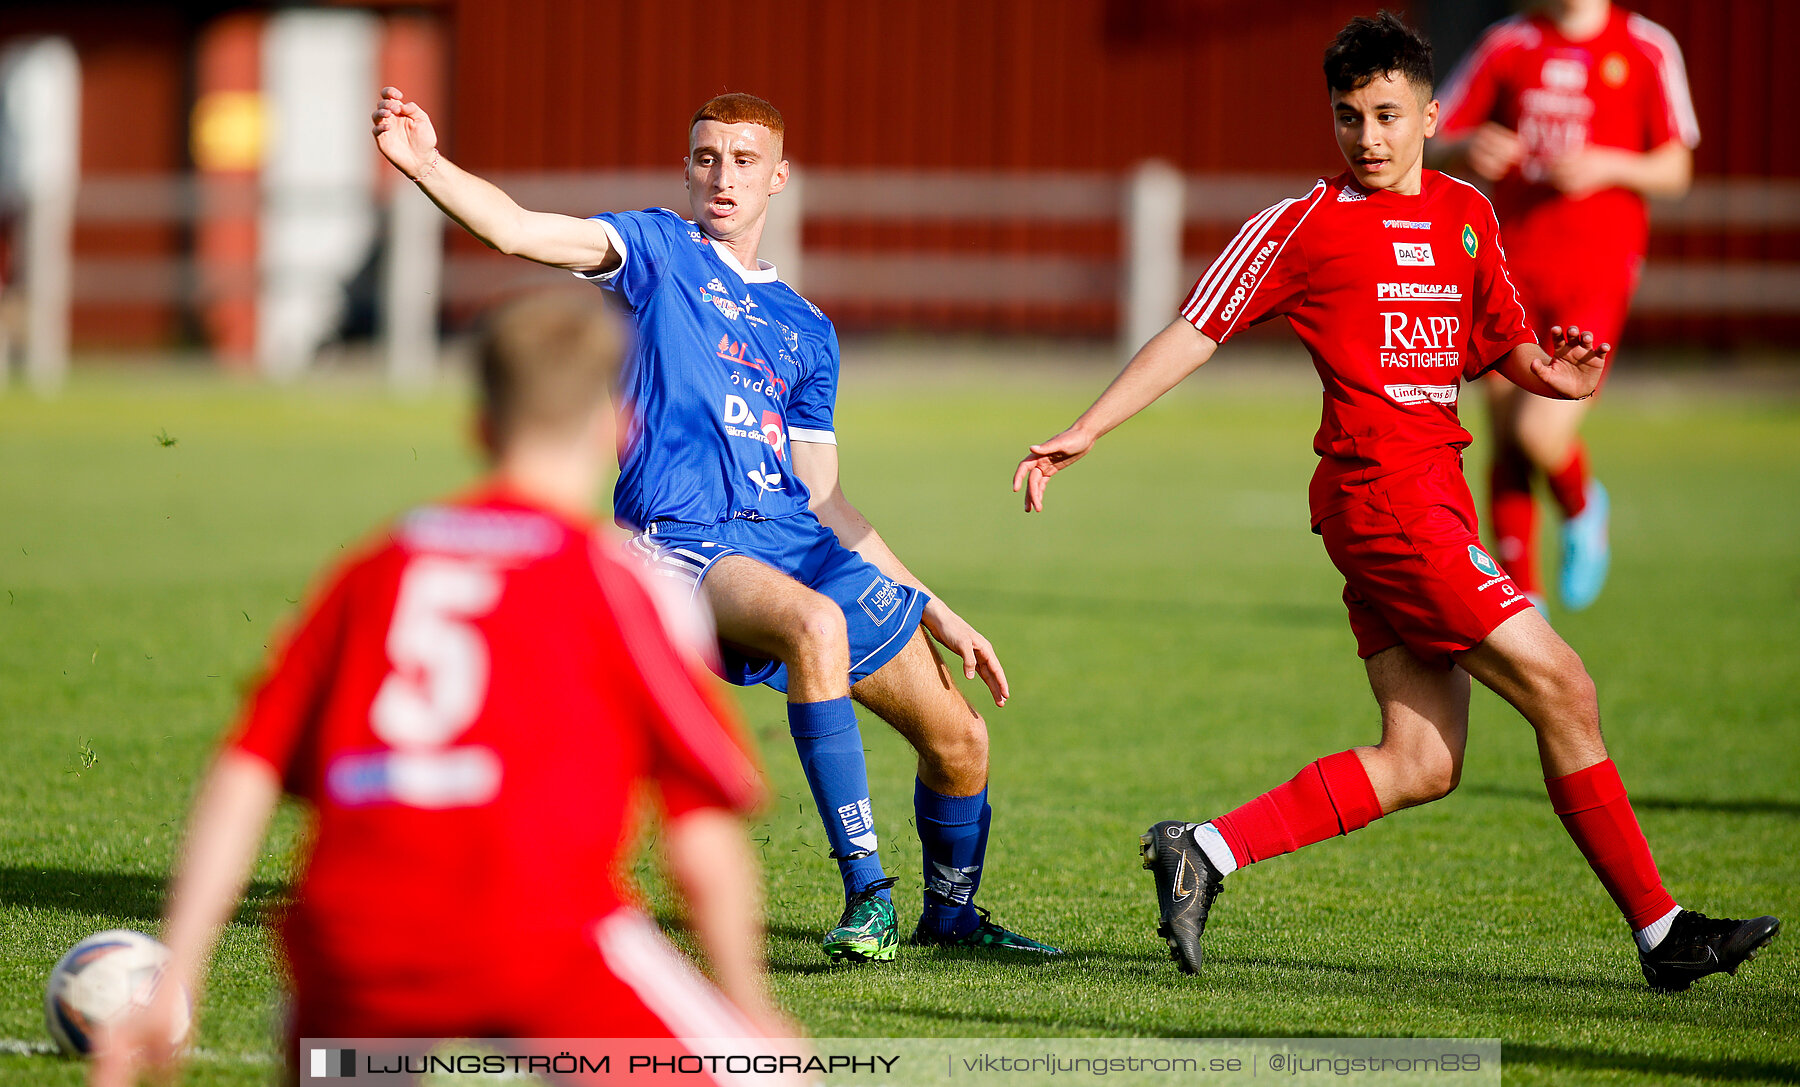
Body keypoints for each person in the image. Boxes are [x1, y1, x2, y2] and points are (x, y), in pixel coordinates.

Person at [1013, 13, 1776, 991]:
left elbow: (1505, 346)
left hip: (1434, 498)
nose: (1367, 138)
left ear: (1430, 113)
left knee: (1420, 759)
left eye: (1384, 115)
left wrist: (1560, 377)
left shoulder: (1467, 214)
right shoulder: (1301, 224)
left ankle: (1205, 849)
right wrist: (1085, 428)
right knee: (1565, 687)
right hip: (1385, 502)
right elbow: (1195, 328)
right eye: (1346, 117)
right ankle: (1664, 932)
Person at [369, 88, 1058, 962]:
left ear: (779, 178)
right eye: (705, 158)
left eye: (742, 161)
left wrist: (934, 606)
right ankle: (868, 896)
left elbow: (828, 498)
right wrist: (426, 164)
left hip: (795, 539)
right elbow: (517, 230)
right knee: (818, 625)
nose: (721, 176)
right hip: (684, 540)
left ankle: (952, 917)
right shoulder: (656, 250)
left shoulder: (806, 328)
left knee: (960, 738)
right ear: (686, 171)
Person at [92, 294, 789, 1086]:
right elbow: (699, 832)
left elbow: (246, 768)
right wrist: (750, 1009)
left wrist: (176, 970)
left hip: (357, 942)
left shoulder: (374, 567)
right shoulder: (620, 583)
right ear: (616, 431)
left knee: (323, 1038)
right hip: (541, 930)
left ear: (481, 429)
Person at [1432, 0, 1699, 611]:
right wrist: (1472, 146)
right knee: (1501, 434)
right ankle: (1523, 596)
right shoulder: (1508, 43)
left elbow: (1676, 168)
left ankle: (1582, 505)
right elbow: (1438, 135)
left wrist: (1606, 164)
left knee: (1537, 432)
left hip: (1597, 269)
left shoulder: (1645, 47)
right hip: (1509, 262)